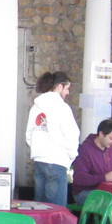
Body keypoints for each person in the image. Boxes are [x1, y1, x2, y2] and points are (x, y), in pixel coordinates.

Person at [25, 71, 80, 206]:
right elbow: (71, 134)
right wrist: (71, 155)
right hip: (57, 161)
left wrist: (38, 149)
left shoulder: (35, 107)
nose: (67, 93)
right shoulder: (62, 107)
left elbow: (29, 135)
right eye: (67, 88)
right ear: (59, 87)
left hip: (39, 161)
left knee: (40, 207)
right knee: (56, 209)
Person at [71, 119, 112, 204]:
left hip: (105, 190)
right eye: (111, 138)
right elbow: (79, 179)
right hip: (84, 192)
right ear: (101, 134)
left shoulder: (111, 150)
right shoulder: (84, 150)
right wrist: (104, 178)